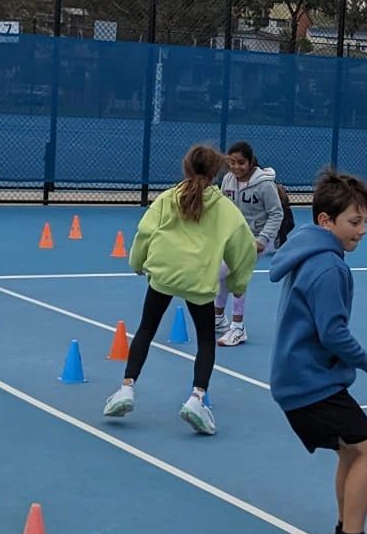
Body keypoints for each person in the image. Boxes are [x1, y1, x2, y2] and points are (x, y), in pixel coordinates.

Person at [268, 169, 367, 534]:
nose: (362, 231)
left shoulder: (310, 252)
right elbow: (333, 333)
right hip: (309, 385)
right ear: (326, 221)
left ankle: (349, 532)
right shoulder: (328, 268)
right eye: (353, 222)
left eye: (365, 222)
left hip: (302, 378)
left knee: (352, 451)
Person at [105, 145, 257, 435]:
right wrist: (238, 285)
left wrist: (137, 262)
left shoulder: (167, 197)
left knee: (146, 329)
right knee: (205, 340)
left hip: (164, 272)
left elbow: (145, 232)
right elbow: (244, 249)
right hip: (198, 279)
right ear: (216, 172)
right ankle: (197, 398)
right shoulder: (226, 209)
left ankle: (126, 388)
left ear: (186, 167)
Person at [215, 140, 286, 347]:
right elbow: (222, 209)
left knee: (235, 274)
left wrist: (262, 239)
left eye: (241, 163)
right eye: (232, 163)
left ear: (250, 162)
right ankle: (218, 318)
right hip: (232, 237)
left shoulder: (264, 185)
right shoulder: (228, 180)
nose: (236, 167)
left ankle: (238, 328)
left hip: (256, 238)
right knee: (221, 275)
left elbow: (276, 213)